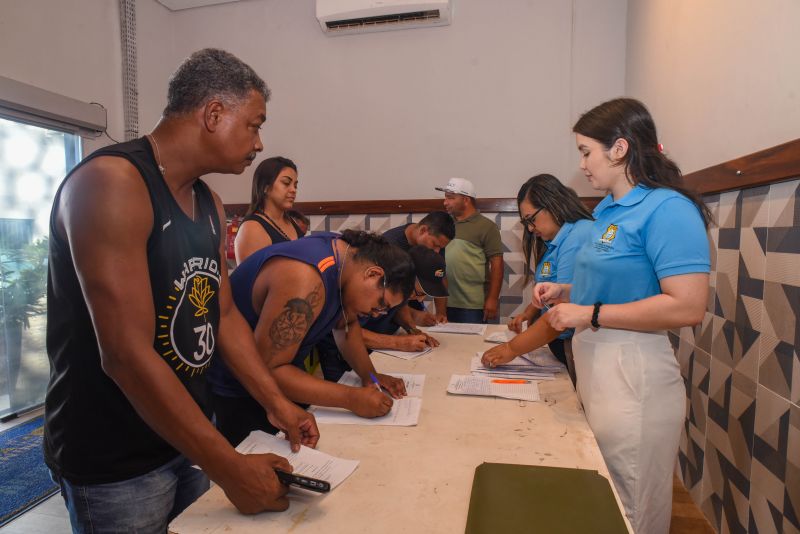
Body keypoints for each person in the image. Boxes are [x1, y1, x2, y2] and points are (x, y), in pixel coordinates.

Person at [43, 49, 319, 531]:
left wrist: (276, 402)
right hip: (116, 459)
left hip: (188, 438)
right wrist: (229, 468)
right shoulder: (112, 184)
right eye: (254, 125)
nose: (259, 142)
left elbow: (225, 315)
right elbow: (125, 355)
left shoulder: (208, 202)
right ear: (213, 114)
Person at [535, 98, 711, 533]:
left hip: (632, 370)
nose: (582, 164)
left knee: (631, 503)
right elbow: (626, 285)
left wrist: (588, 311)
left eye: (585, 151)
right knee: (604, 490)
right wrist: (566, 292)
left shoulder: (667, 209)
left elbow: (687, 305)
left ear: (619, 149)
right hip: (596, 361)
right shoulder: (608, 211)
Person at [208, 230, 415, 446]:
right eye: (381, 304)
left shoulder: (348, 262)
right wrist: (351, 398)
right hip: (241, 388)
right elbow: (268, 369)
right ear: (373, 274)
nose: (376, 313)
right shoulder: (305, 278)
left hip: (285, 377)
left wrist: (371, 377)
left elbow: (346, 323)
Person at [481, 174, 593, 385]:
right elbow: (552, 289)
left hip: (573, 342)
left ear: (552, 203)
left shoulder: (577, 237)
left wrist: (511, 348)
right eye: (526, 223)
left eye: (531, 219)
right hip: (558, 343)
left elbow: (565, 307)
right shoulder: (556, 241)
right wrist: (529, 312)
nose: (530, 228)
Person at [437, 178, 504, 323]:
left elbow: (497, 265)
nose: (445, 202)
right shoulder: (443, 225)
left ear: (466, 199)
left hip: (474, 306)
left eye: (450, 198)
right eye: (445, 198)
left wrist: (492, 299)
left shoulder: (486, 226)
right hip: (445, 303)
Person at [383, 211, 454, 325]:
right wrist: (413, 316)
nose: (437, 251)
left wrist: (441, 313)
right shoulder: (389, 245)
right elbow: (385, 298)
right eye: (435, 244)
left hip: (410, 312)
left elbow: (439, 277)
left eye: (441, 247)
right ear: (423, 230)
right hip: (388, 312)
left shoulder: (437, 247)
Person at [234, 156, 303, 264]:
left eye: (295, 185)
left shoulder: (291, 221)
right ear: (265, 187)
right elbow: (250, 278)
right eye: (286, 183)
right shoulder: (252, 228)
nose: (293, 190)